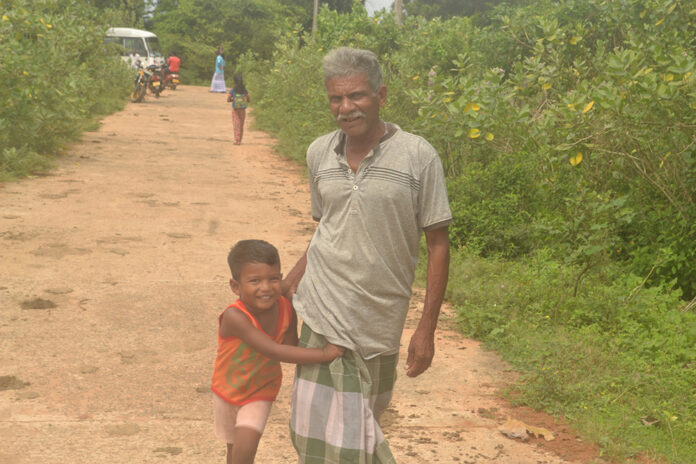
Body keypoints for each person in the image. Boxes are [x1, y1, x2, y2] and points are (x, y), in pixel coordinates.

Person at [282, 47, 452, 463]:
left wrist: (426, 326)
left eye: (356, 95)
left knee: (360, 432)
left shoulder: (418, 156)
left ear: (381, 95)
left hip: (379, 320)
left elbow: (438, 244)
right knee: (320, 439)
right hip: (322, 313)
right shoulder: (318, 153)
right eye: (335, 98)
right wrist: (289, 284)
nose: (345, 108)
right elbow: (329, 227)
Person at [211, 239, 345, 464]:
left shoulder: (284, 306)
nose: (265, 287)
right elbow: (274, 351)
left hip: (260, 392)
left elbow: (290, 345)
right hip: (226, 392)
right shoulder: (235, 317)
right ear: (236, 286)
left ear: (281, 278)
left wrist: (293, 304)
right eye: (255, 281)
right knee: (234, 451)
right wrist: (324, 353)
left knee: (245, 450)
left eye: (273, 279)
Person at [227, 74, 250, 145]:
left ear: (235, 81)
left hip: (235, 109)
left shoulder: (233, 89)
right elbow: (249, 99)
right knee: (241, 125)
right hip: (243, 109)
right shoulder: (245, 90)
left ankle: (237, 140)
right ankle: (240, 139)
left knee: (236, 124)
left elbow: (228, 99)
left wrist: (232, 100)